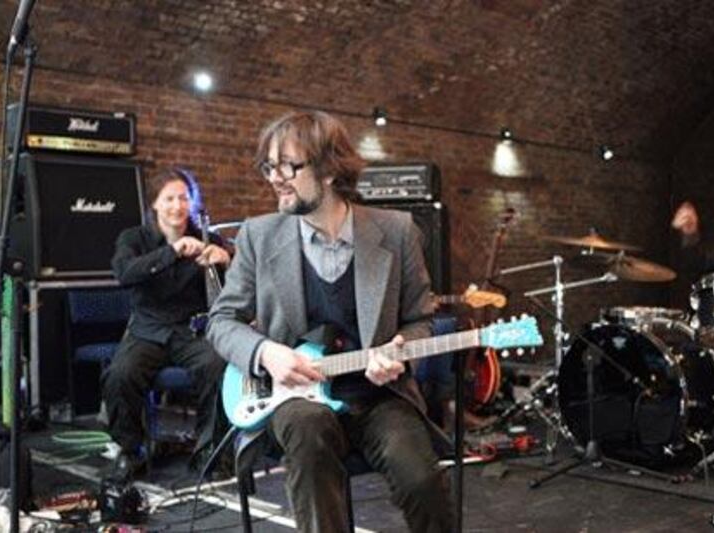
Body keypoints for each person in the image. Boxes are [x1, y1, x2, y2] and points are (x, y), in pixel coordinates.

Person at [207, 111, 453, 532]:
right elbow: (221, 320)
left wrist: (398, 351)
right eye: (269, 166)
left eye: (288, 165)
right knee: (308, 431)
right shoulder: (258, 235)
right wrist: (266, 353)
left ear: (328, 170)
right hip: (295, 398)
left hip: (379, 395)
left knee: (423, 481)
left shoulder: (397, 231)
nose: (274, 178)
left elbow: (419, 320)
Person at [103, 168, 230, 480]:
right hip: (147, 329)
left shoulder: (209, 239)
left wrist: (228, 259)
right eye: (170, 199)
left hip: (191, 331)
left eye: (184, 198)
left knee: (217, 366)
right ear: (155, 205)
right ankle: (131, 451)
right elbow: (125, 274)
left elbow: (239, 287)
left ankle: (209, 451)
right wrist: (172, 252)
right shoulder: (134, 238)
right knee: (120, 375)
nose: (178, 206)